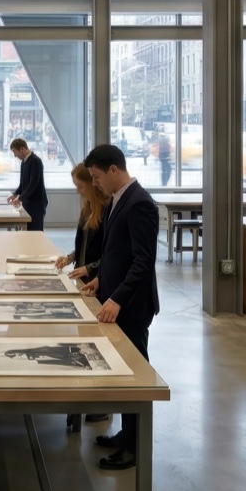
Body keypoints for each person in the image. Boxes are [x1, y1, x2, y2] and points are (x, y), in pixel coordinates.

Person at [82, 143, 160, 470]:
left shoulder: (140, 203)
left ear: (114, 170)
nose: (95, 183)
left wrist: (117, 298)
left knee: (136, 377)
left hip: (132, 306)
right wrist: (101, 280)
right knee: (123, 374)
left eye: (98, 177)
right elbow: (119, 253)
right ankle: (126, 435)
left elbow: (143, 262)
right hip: (115, 297)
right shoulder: (118, 198)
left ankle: (135, 448)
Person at [55, 163, 109, 433]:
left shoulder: (106, 209)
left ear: (92, 183)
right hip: (84, 281)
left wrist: (91, 268)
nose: (77, 190)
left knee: (98, 343)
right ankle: (89, 396)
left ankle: (103, 403)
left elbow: (110, 255)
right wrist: (70, 257)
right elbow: (83, 245)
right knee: (83, 340)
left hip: (97, 282)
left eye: (80, 185)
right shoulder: (87, 207)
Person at [6, 137, 48, 233]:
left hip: (37, 203)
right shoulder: (24, 162)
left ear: (22, 148)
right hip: (28, 202)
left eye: (14, 151)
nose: (15, 155)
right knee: (27, 231)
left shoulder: (36, 161)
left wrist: (20, 198)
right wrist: (15, 194)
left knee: (35, 232)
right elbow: (23, 184)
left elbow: (33, 184)